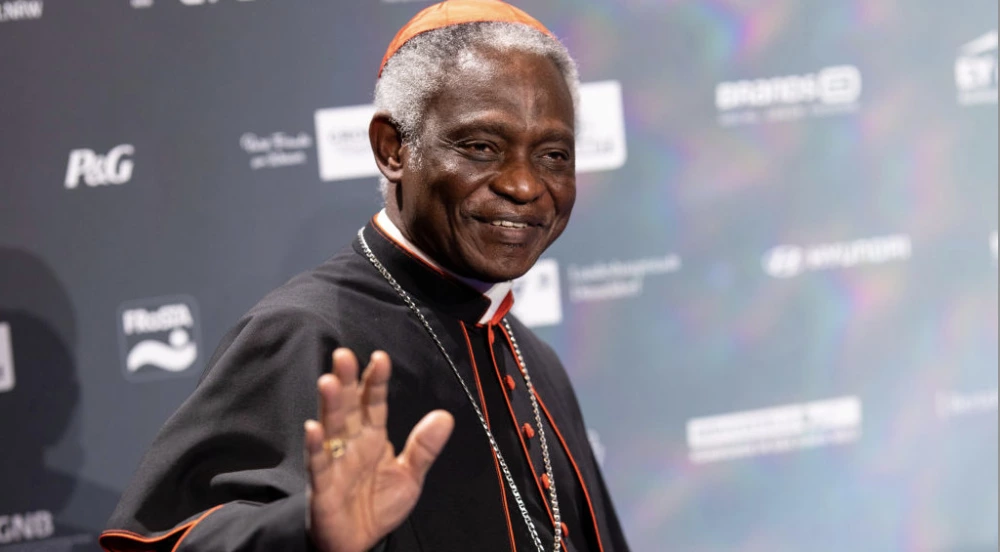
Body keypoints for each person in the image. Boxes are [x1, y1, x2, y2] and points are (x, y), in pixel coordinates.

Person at [99, 1, 630, 551]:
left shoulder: (532, 357)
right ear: (393, 148)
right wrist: (311, 532)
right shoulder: (305, 332)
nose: (523, 185)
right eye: (480, 147)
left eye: (552, 155)